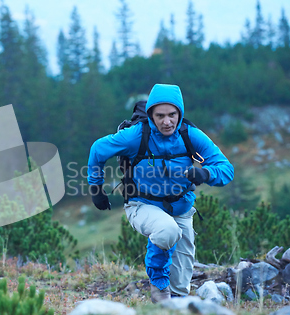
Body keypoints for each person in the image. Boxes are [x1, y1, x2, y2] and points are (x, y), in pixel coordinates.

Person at [87, 83, 234, 303]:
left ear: (180, 113)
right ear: (151, 115)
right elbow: (98, 149)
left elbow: (226, 169)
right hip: (142, 204)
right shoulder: (136, 136)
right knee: (166, 231)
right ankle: (158, 285)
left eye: (172, 114)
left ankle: (169, 312)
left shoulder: (189, 134)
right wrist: (96, 189)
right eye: (160, 115)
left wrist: (205, 174)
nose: (167, 122)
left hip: (182, 209)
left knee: (181, 288)